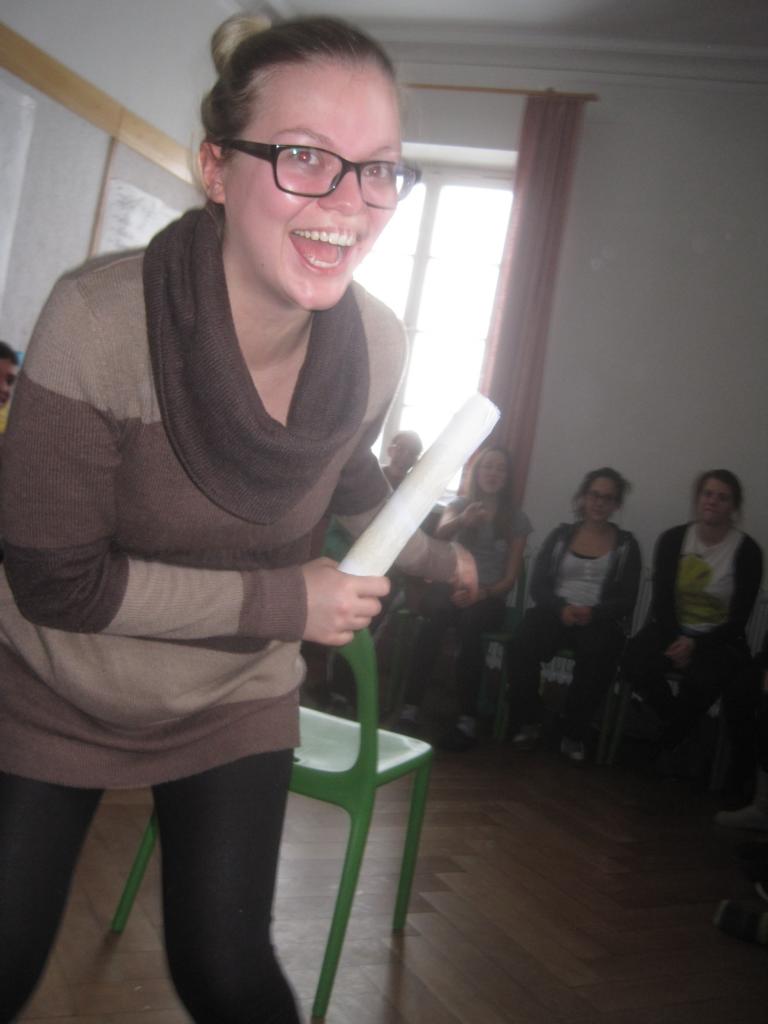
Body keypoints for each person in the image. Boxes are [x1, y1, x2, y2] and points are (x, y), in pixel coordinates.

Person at [0, 15, 477, 1023]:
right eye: (304, 156)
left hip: (231, 696)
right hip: (51, 684)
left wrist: (440, 557)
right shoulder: (98, 324)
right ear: (215, 168)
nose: (349, 202)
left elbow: (345, 476)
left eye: (379, 169)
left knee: (226, 969)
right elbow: (55, 583)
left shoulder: (377, 345)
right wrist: (285, 602)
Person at [622, 469, 762, 778]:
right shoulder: (673, 539)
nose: (713, 501)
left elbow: (739, 619)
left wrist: (696, 644)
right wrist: (679, 639)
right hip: (671, 628)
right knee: (634, 661)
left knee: (703, 682)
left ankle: (666, 741)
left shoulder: (747, 551)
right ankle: (677, 726)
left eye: (722, 497)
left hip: (720, 640)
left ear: (733, 506)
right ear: (698, 498)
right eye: (708, 494)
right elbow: (662, 601)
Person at [399, 446, 531, 750]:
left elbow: (509, 579)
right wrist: (462, 521)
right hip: (451, 587)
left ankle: (467, 720)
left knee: (471, 624)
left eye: (500, 468)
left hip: (488, 596)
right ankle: (410, 708)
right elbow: (436, 540)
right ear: (476, 472)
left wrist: (481, 593)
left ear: (508, 477)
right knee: (435, 617)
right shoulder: (459, 505)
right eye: (488, 467)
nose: (493, 473)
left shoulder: (517, 519)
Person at [507, 468, 641, 762]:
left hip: (598, 619)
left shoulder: (626, 545)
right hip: (557, 611)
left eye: (608, 498)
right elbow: (538, 585)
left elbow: (627, 599)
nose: (599, 503)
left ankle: (573, 731)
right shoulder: (561, 535)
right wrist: (560, 608)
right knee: (521, 645)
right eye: (594, 495)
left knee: (601, 656)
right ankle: (532, 719)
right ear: (583, 497)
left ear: (616, 504)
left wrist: (595, 612)